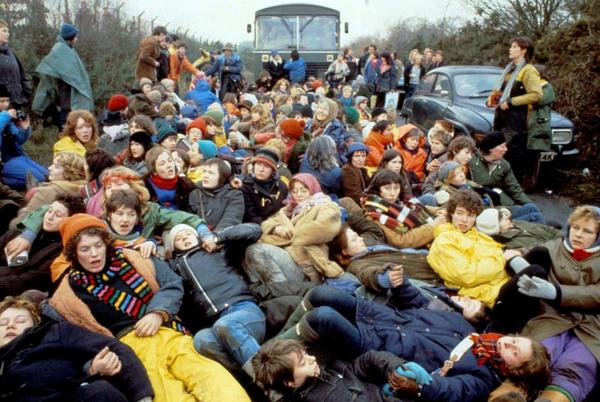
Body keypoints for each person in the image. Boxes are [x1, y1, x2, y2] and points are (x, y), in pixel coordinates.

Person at [47, 214, 251, 401]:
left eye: (98, 245)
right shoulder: (65, 296)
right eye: (85, 249)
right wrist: (91, 366)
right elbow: (71, 343)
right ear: (73, 253)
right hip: (130, 354)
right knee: (168, 396)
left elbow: (172, 283)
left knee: (214, 380)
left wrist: (157, 313)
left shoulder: (135, 257)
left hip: (168, 332)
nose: (94, 254)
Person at [275, 283, 550, 402]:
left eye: (515, 352)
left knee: (324, 316)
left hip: (377, 344)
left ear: (514, 370)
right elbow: (422, 305)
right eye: (514, 340)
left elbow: (449, 391)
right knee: (323, 293)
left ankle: (270, 360)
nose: (508, 345)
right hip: (383, 317)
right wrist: (402, 285)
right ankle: (282, 343)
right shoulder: (470, 328)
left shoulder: (483, 377)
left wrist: (420, 389)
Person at [500, 205, 600, 402]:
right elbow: (515, 253)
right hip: (550, 317)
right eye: (575, 227)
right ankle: (506, 397)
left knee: (577, 367)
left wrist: (556, 292)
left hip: (590, 327)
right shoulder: (555, 246)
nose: (578, 234)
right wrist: (517, 261)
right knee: (531, 358)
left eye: (587, 231)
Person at [0, 296, 154, 402]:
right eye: (2, 323)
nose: (10, 325)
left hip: (71, 396)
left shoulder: (55, 333)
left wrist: (142, 397)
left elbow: (114, 348)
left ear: (35, 323)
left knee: (99, 391)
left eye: (20, 320)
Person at [166, 223, 265, 376]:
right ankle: (252, 381)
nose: (184, 238)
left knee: (226, 324)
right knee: (200, 340)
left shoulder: (217, 249)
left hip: (243, 309)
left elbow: (254, 230)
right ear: (173, 247)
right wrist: (149, 244)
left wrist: (218, 238)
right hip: (215, 324)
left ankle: (270, 377)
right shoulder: (175, 269)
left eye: (188, 234)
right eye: (178, 239)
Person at [253, 339, 414, 401]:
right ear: (289, 382)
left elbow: (365, 362)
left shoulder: (321, 370)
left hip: (390, 391)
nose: (312, 358)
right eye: (303, 363)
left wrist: (395, 366)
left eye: (306, 354)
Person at [260, 173, 344, 282]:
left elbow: (324, 228)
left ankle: (282, 288)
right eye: (294, 191)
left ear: (313, 189)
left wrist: (287, 236)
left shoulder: (326, 206)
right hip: (289, 253)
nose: (298, 195)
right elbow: (267, 223)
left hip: (306, 260)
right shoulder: (291, 208)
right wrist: (276, 228)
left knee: (257, 250)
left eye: (304, 190)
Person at [0, 194, 85, 298]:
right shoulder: (24, 231)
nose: (50, 217)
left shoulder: (62, 250)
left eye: (58, 215)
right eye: (49, 211)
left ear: (70, 221)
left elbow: (34, 279)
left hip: (13, 293)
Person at [487, 36, 543, 182]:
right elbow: (501, 91)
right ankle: (497, 183)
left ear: (524, 50)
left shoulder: (529, 70)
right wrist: (492, 99)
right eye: (510, 46)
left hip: (515, 120)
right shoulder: (510, 68)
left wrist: (512, 102)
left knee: (512, 154)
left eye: (514, 47)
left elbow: (536, 95)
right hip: (501, 117)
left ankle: (511, 187)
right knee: (498, 150)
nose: (510, 49)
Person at [469, 131, 544, 223]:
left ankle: (546, 230)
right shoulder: (472, 162)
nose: (506, 149)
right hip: (488, 207)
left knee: (531, 208)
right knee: (534, 217)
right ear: (491, 149)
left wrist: (528, 202)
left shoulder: (504, 165)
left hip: (504, 205)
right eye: (502, 146)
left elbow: (514, 188)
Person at [363, 169, 444, 249]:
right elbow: (401, 241)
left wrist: (436, 211)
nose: (392, 193)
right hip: (413, 250)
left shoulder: (405, 199)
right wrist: (432, 227)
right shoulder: (375, 214)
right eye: (387, 188)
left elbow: (418, 208)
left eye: (396, 188)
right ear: (378, 190)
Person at [32, 23, 94, 126]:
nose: (77, 38)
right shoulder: (60, 49)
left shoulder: (68, 49)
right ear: (70, 37)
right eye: (75, 36)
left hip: (69, 95)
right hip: (66, 96)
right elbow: (64, 72)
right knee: (66, 126)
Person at [10, 152, 87, 229]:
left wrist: (22, 211)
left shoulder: (47, 192)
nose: (49, 167)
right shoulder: (86, 190)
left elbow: (19, 225)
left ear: (68, 173)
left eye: (56, 166)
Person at [0, 86, 47, 189]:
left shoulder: (6, 118)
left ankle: (5, 181)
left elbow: (18, 141)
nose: (5, 104)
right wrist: (6, 116)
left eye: (7, 101)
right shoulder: (5, 117)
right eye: (2, 101)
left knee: (47, 175)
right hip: (4, 162)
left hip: (17, 156)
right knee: (39, 179)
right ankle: (3, 180)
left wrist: (24, 129)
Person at [188, 158, 245, 231]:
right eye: (204, 171)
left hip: (222, 238)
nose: (205, 175)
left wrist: (214, 237)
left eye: (211, 173)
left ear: (222, 177)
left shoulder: (234, 195)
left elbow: (230, 220)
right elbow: (190, 220)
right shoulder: (195, 193)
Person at [242, 148, 289, 224]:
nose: (261, 169)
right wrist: (273, 227)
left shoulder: (282, 186)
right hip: (257, 228)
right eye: (258, 164)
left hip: (281, 223)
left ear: (272, 170)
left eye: (266, 166)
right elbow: (250, 217)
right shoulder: (245, 187)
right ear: (253, 166)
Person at [144, 146, 196, 211]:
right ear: (154, 171)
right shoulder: (143, 187)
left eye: (170, 160)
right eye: (162, 164)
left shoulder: (186, 184)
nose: (169, 165)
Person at [0, 20, 31, 109]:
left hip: (16, 105)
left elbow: (23, 76)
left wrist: (25, 95)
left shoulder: (11, 54)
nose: (8, 34)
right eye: (4, 31)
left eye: (8, 31)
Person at [310, 98, 347, 164]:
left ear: (331, 113)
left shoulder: (336, 127)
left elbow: (328, 147)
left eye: (325, 110)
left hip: (329, 160)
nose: (320, 111)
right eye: (319, 108)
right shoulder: (310, 123)